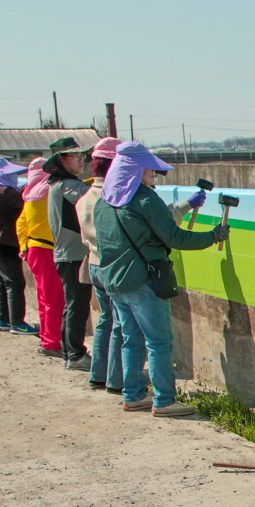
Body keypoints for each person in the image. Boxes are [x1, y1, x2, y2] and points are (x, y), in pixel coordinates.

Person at [92, 141, 225, 417]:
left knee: (131, 339)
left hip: (114, 282)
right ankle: (164, 401)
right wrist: (213, 236)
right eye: (149, 169)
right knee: (159, 342)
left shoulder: (103, 201)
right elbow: (175, 237)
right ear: (136, 169)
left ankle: (133, 395)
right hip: (144, 281)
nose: (154, 173)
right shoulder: (145, 199)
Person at [43, 137, 96, 371]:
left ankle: (70, 352)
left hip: (67, 254)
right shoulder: (68, 186)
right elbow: (96, 200)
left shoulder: (58, 184)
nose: (81, 160)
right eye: (75, 157)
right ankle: (75, 354)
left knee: (73, 304)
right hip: (74, 254)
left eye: (82, 156)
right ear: (60, 160)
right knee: (77, 305)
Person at [77, 138, 125, 393]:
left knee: (105, 319)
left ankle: (99, 373)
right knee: (120, 323)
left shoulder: (84, 197)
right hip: (113, 266)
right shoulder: (113, 197)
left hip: (93, 264)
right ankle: (116, 380)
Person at [16, 156, 65, 358]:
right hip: (47, 248)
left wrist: (23, 247)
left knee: (44, 297)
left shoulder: (30, 195)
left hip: (34, 248)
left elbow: (21, 223)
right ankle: (51, 343)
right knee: (54, 299)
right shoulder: (50, 191)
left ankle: (47, 337)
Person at [0, 158, 38, 336]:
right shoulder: (6, 191)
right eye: (12, 174)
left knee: (2, 282)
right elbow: (25, 201)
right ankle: (17, 323)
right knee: (15, 282)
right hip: (4, 242)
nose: (15, 177)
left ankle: (4, 319)